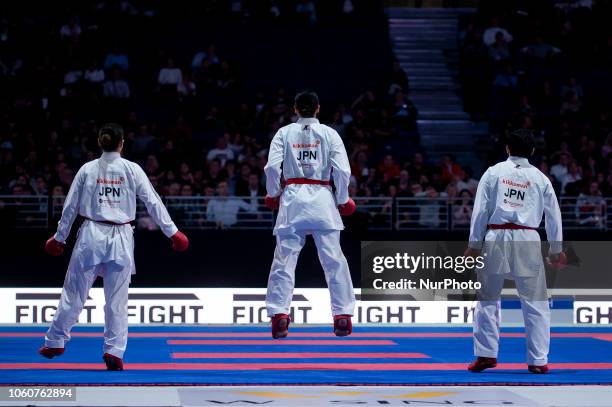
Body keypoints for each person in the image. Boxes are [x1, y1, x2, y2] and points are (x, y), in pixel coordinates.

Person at [39, 123, 189, 371]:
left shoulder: (87, 169)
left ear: (100, 142)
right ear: (122, 143)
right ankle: (114, 352)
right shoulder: (132, 169)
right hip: (120, 237)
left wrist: (59, 237)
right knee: (117, 300)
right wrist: (173, 232)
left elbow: (70, 206)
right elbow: (153, 201)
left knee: (75, 292)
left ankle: (55, 340)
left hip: (92, 235)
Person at [464, 129, 564, 374]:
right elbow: (553, 215)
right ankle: (538, 360)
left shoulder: (494, 172)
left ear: (507, 148)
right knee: (536, 302)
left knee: (487, 299)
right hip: (527, 238)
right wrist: (556, 248)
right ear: (532, 151)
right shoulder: (541, 178)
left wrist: (474, 244)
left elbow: (480, 211)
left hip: (495, 237)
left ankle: (486, 355)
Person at [264, 91, 356, 338]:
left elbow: (272, 167)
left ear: (295, 109)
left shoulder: (284, 133)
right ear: (318, 108)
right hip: (323, 199)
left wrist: (273, 193)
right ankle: (342, 315)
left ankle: (280, 314)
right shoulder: (329, 133)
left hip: (293, 200)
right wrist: (343, 199)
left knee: (284, 260)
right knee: (333, 259)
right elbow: (343, 170)